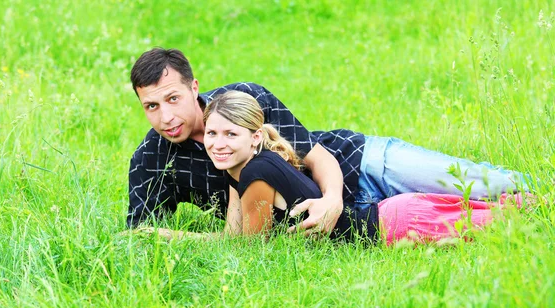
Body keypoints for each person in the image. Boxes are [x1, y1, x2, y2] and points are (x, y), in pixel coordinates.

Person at [127, 47, 531, 234]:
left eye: (173, 99)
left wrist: (334, 201)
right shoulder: (152, 157)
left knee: (500, 187)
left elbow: (316, 156)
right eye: (151, 106)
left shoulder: (243, 101)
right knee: (478, 218)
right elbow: (140, 235)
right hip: (361, 221)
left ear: (193, 87)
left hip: (359, 164)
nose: (166, 117)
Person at [152, 90, 526, 245]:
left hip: (392, 226)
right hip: (391, 216)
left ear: (254, 138)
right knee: (516, 209)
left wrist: (169, 236)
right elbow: (234, 234)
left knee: (522, 216)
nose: (217, 143)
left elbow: (245, 246)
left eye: (230, 134)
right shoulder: (237, 170)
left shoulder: (256, 173)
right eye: (212, 133)